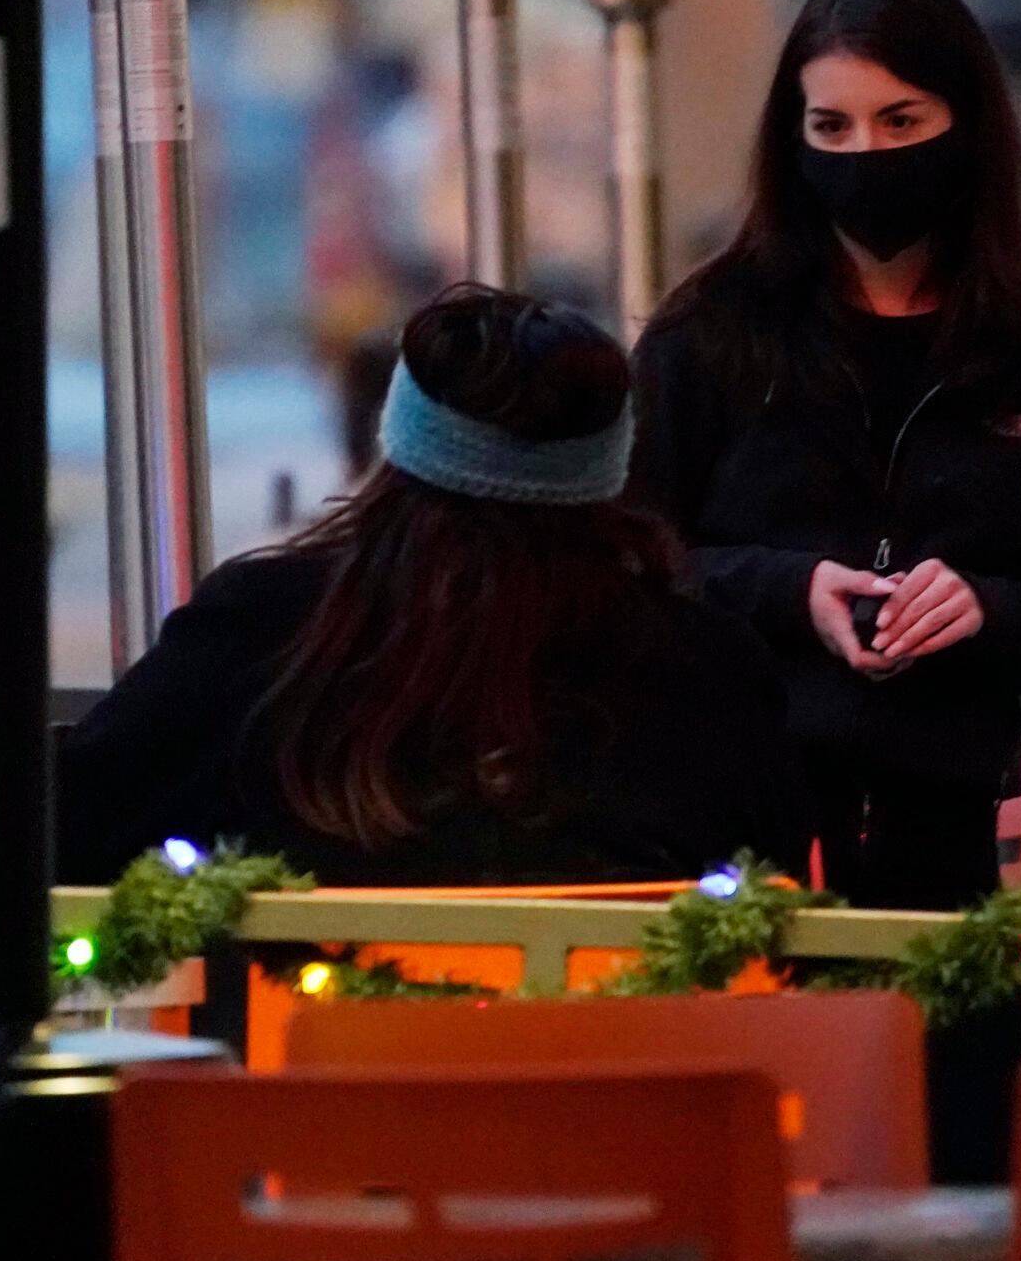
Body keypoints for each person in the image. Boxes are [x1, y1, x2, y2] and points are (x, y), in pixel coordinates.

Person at [631, 0, 1021, 915]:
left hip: (948, 851)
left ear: (967, 127)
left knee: (960, 1064)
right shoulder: (708, 332)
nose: (864, 155)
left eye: (900, 122)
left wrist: (983, 611)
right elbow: (628, 569)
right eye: (831, 127)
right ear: (792, 141)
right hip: (730, 848)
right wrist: (792, 591)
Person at [57, 286, 810, 888]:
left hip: (308, 1065)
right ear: (610, 469)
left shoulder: (262, 632)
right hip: (637, 1064)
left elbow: (71, 833)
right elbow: (766, 891)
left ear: (398, 448)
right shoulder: (706, 666)